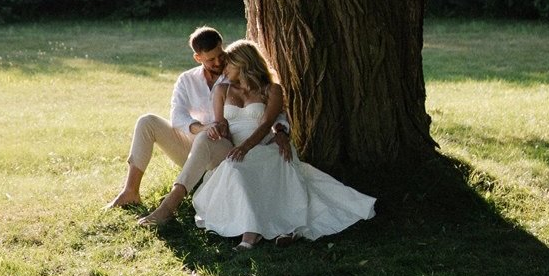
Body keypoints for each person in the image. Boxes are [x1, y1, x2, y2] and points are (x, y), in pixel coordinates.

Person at [191, 40, 376, 248]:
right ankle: (254, 229)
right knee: (235, 168)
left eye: (229, 64)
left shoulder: (272, 90)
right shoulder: (223, 89)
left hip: (264, 144)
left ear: (244, 64)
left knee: (251, 164)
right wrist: (220, 130)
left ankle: (253, 233)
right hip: (236, 147)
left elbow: (266, 124)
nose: (224, 68)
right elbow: (221, 122)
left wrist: (250, 145)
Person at [106, 26, 240, 216]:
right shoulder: (187, 79)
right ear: (198, 58)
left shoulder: (235, 75)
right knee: (147, 122)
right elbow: (177, 117)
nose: (218, 62)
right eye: (211, 59)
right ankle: (131, 191)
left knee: (204, 139)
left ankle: (171, 204)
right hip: (192, 147)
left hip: (224, 149)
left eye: (220, 54)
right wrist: (201, 128)